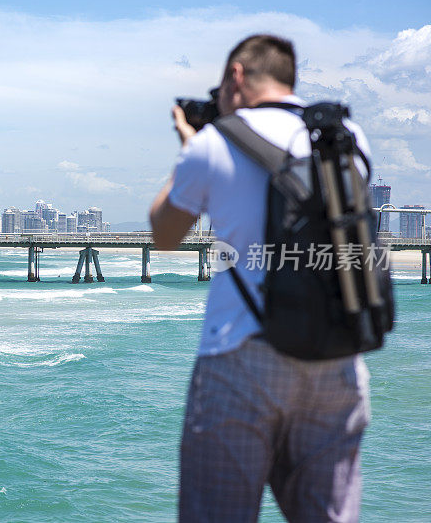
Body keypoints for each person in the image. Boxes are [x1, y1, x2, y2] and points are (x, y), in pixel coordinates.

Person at [149, 34, 372, 522]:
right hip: (338, 355)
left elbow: (164, 235)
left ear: (236, 77)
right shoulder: (345, 136)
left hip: (242, 357)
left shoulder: (212, 143)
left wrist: (189, 149)